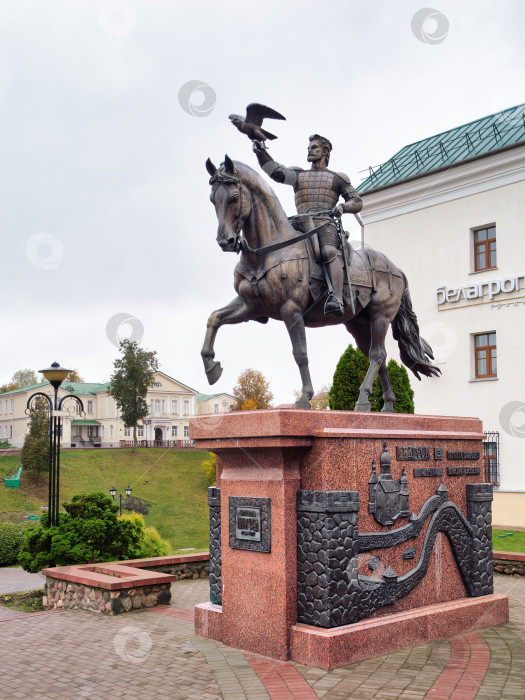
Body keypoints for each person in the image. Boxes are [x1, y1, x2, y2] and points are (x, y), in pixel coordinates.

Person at [253, 134, 363, 315]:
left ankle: (335, 297)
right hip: (299, 223)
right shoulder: (298, 175)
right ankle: (261, 293)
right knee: (272, 246)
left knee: (328, 252)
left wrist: (343, 207)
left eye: (314, 148)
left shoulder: (338, 178)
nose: (309, 151)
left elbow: (357, 202)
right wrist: (260, 151)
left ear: (325, 151)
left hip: (324, 224)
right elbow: (276, 171)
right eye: (309, 148)